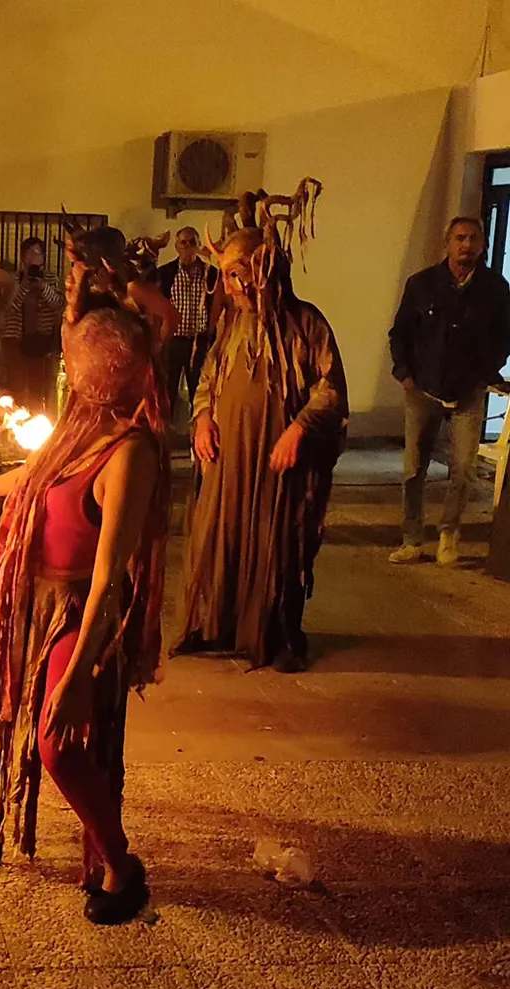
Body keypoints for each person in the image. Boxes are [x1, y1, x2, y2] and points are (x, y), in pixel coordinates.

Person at [0, 225, 172, 925]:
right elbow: (35, 475)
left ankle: (121, 865)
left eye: (79, 359)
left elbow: (115, 578)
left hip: (75, 608)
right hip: (27, 594)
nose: (71, 369)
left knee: (59, 744)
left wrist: (80, 673)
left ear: (110, 368)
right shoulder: (78, 423)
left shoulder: (129, 453)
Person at [171, 179, 348, 673]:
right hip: (228, 457)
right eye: (229, 277)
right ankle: (219, 627)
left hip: (279, 458)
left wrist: (297, 431)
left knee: (280, 542)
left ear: (272, 270)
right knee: (221, 536)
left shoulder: (306, 324)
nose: (239, 287)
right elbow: (207, 377)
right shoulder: (230, 324)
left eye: (248, 274)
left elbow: (329, 386)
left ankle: (279, 635)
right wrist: (203, 418)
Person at [388, 216, 510, 566]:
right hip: (422, 390)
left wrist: (487, 372)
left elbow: (505, 334)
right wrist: (404, 374)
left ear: (483, 245)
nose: (466, 245)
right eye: (460, 238)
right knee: (414, 469)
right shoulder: (423, 285)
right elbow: (399, 333)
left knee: (463, 468)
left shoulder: (495, 289)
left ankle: (448, 535)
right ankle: (412, 539)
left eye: (473, 238)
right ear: (447, 243)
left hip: (468, 392)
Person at [156, 226, 223, 414]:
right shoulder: (165, 273)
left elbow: (217, 306)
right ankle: (165, 436)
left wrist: (211, 336)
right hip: (173, 341)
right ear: (176, 246)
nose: (187, 246)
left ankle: (198, 436)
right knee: (167, 391)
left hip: (199, 342)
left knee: (200, 392)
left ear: (199, 245)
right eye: (183, 242)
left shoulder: (211, 274)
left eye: (192, 242)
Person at [0, 236, 65, 409]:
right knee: (17, 388)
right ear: (22, 258)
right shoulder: (14, 280)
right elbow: (10, 308)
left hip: (42, 342)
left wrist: (42, 287)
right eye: (29, 253)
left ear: (44, 258)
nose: (33, 257)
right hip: (17, 342)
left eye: (37, 253)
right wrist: (24, 285)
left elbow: (58, 305)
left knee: (40, 391)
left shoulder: (51, 279)